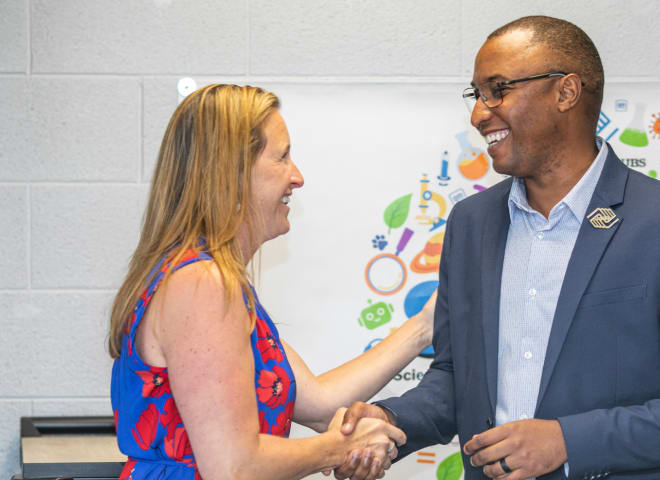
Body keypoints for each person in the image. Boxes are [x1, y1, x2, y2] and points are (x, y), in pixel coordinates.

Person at [333, 16, 660, 480]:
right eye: (476, 95)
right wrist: (393, 421)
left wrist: (567, 441)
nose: (479, 114)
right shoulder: (471, 224)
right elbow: (458, 378)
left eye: (498, 89)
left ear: (566, 92)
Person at [108, 84, 435, 480]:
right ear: (231, 174)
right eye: (282, 157)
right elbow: (234, 468)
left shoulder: (213, 279)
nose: (297, 177)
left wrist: (425, 326)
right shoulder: (201, 284)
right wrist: (341, 446)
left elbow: (318, 403)